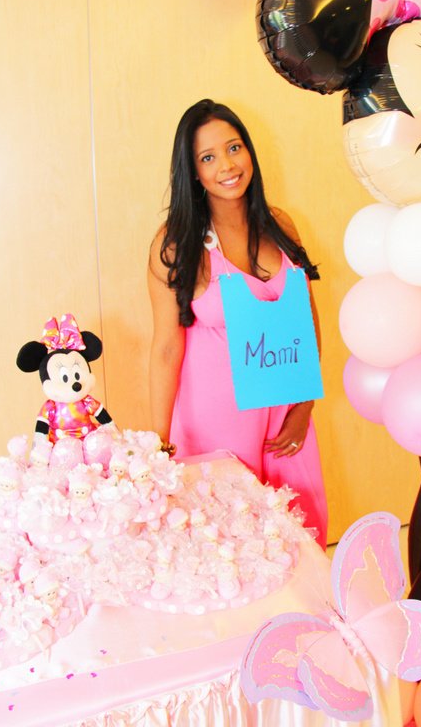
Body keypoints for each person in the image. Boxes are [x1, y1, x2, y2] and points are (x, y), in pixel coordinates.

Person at [148, 99, 328, 548]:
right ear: (193, 171)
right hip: (216, 424)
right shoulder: (177, 244)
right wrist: (157, 444)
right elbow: (166, 347)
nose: (227, 165)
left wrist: (304, 407)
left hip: (285, 416)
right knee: (231, 545)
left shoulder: (280, 224)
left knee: (298, 534)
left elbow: (305, 318)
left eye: (234, 148)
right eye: (208, 157)